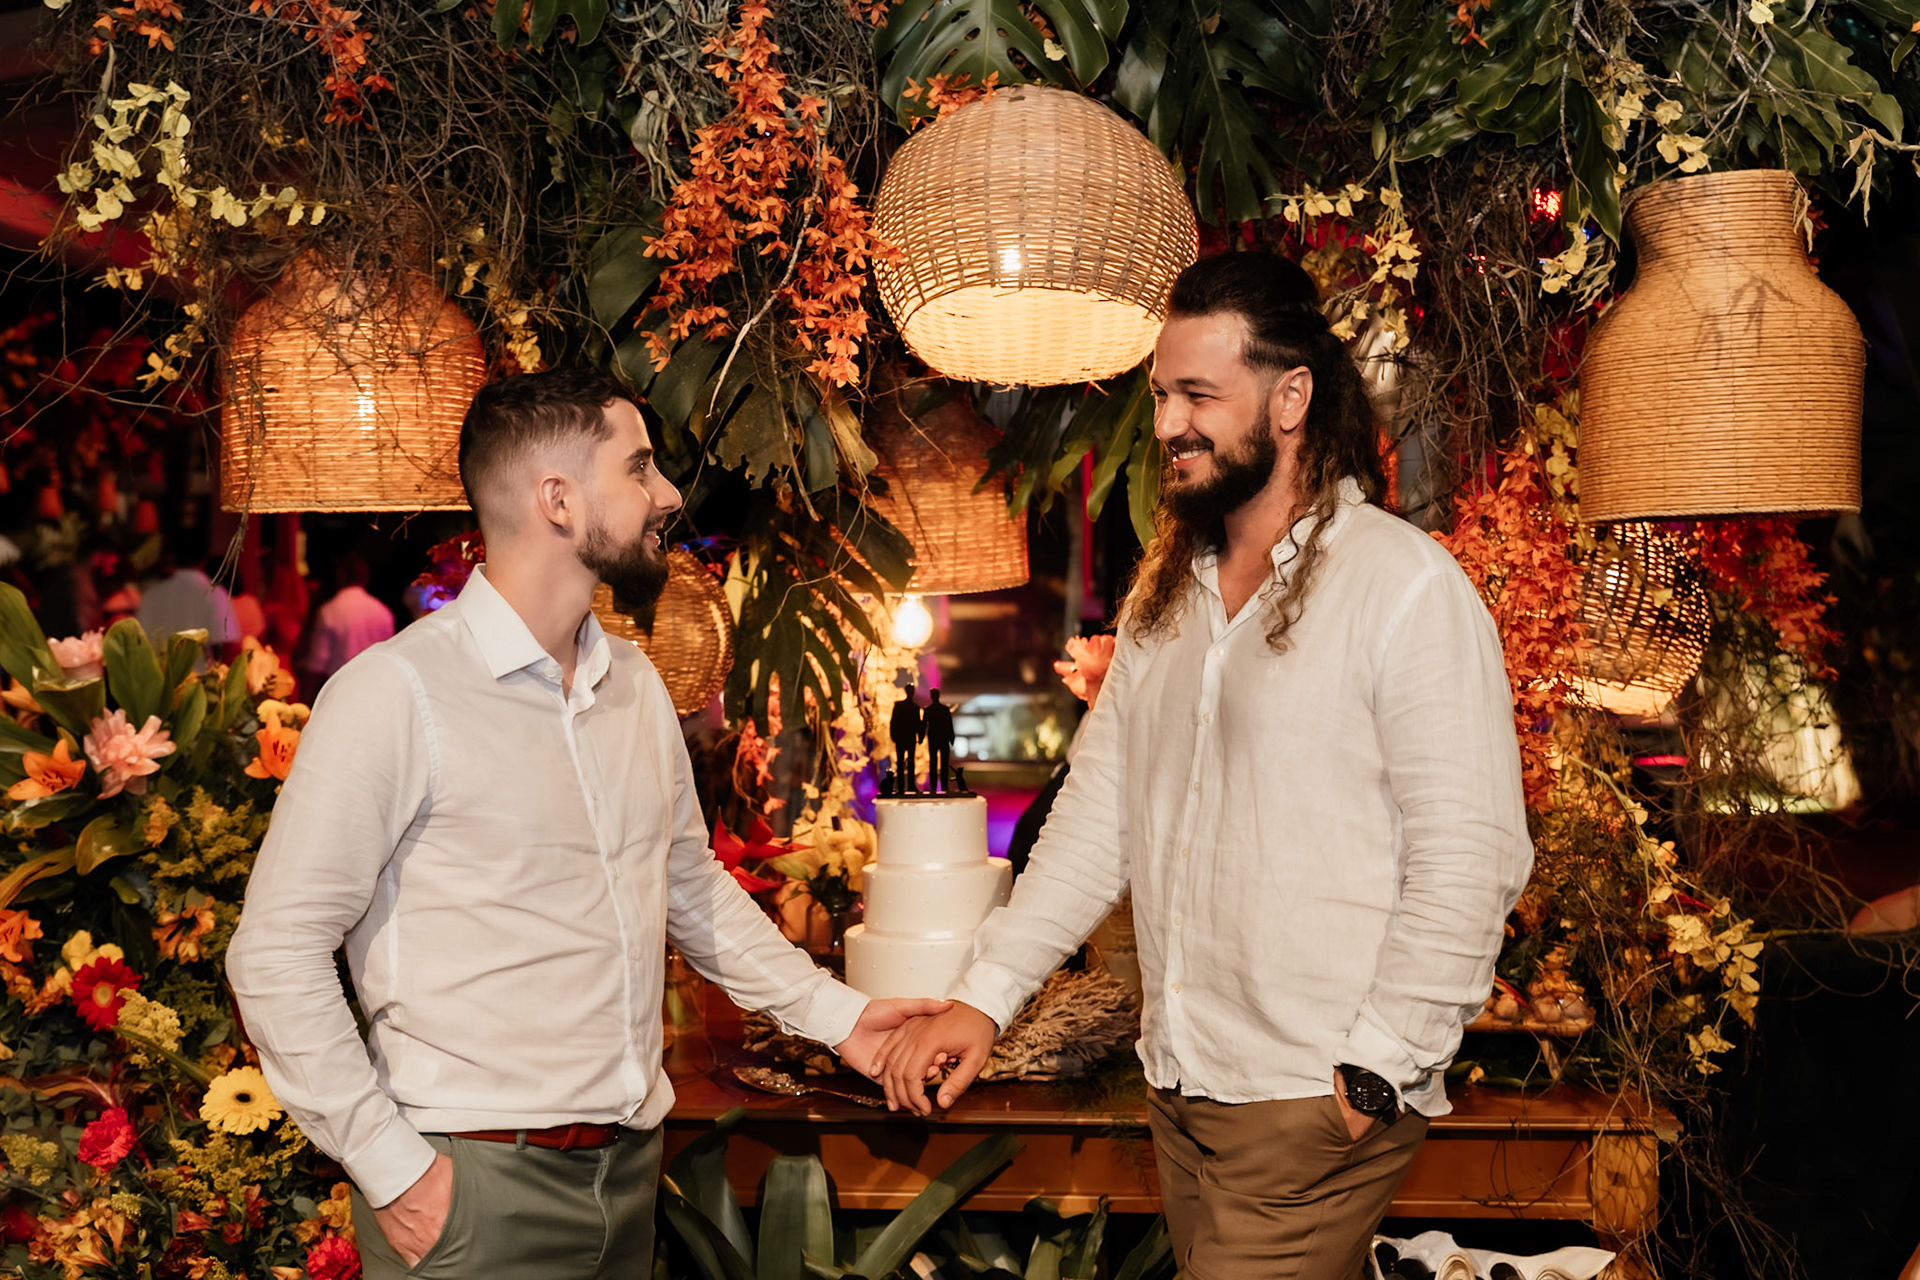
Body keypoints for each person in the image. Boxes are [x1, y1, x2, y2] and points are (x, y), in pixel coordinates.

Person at [876, 253, 1533, 1279]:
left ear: (1290, 397)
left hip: (1310, 1098)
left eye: (1197, 395)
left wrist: (1374, 1073)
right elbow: (1097, 822)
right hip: (1183, 1087)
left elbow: (1473, 855)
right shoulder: (1167, 598)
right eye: (1160, 397)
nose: (1170, 424)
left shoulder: (1404, 588)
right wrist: (984, 997)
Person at [226, 367, 946, 1280]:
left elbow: (689, 888)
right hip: (471, 1187)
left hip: (630, 1173)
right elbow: (275, 952)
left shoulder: (637, 686)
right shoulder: (394, 693)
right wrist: (392, 1170)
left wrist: (841, 1021)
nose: (669, 495)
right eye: (640, 467)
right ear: (557, 500)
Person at [303, 553, 396, 686]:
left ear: (340, 575)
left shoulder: (330, 610)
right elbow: (389, 655)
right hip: (375, 684)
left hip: (340, 686)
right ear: (366, 577)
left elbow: (318, 661)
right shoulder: (383, 612)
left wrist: (308, 696)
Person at [136, 542, 240, 659]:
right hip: (201, 674)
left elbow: (140, 642)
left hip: (158, 674)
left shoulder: (152, 594)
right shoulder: (215, 593)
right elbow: (228, 647)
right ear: (203, 560)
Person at [888, 681, 922, 794]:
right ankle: (903, 787)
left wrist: (920, 736)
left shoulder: (910, 707)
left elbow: (917, 724)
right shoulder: (909, 707)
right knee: (904, 763)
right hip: (904, 738)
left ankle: (907, 786)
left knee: (907, 763)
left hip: (906, 738)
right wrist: (893, 735)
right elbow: (894, 722)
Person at [922, 686, 955, 793]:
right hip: (942, 738)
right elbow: (949, 725)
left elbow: (924, 725)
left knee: (934, 763)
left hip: (934, 738)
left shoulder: (929, 710)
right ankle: (943, 786)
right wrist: (951, 737)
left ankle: (933, 787)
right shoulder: (944, 710)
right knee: (943, 763)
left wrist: (921, 737)